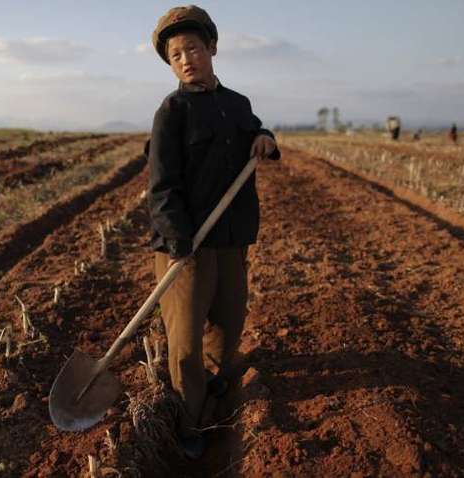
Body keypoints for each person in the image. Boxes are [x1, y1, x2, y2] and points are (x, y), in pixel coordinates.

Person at [146, 5, 280, 459]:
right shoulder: (171, 112)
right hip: (185, 246)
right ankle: (189, 421)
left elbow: (253, 131)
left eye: (193, 49)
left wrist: (264, 136)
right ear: (171, 64)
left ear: (212, 49)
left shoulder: (237, 105)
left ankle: (219, 389)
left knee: (229, 321)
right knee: (184, 341)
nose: (185, 59)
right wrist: (180, 240)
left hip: (230, 239)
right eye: (176, 55)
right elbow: (162, 187)